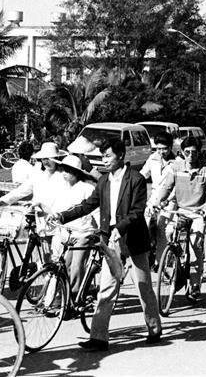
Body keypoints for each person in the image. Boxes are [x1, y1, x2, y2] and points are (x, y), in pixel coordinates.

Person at [52, 138, 161, 351]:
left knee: (143, 287)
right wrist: (62, 216)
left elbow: (137, 211)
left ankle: (154, 328)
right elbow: (87, 205)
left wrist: (120, 228)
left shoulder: (136, 179)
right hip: (110, 241)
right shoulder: (103, 181)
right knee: (106, 288)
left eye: (108, 156)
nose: (104, 160)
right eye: (102, 156)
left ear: (120, 155)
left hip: (133, 240)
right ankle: (98, 338)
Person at [148, 136, 206, 300]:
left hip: (198, 213)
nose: (191, 156)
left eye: (194, 152)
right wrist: (158, 202)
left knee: (195, 246)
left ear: (199, 152)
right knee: (169, 235)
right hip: (180, 210)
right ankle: (174, 270)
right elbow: (167, 187)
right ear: (182, 152)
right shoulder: (176, 167)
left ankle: (195, 285)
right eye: (187, 152)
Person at [39, 155, 98, 297]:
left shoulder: (87, 188)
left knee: (77, 266)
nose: (65, 173)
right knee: (64, 266)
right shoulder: (62, 189)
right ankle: (65, 297)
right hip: (67, 234)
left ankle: (75, 296)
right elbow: (56, 209)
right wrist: (46, 211)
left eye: (69, 171)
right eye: (64, 170)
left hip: (83, 233)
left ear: (76, 173)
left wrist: (100, 231)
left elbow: (96, 210)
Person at [141, 132, 175, 268]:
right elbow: (143, 174)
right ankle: (147, 258)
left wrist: (166, 200)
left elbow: (176, 186)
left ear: (171, 147)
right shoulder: (152, 158)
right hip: (154, 198)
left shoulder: (177, 162)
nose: (161, 152)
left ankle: (160, 262)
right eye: (158, 148)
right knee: (145, 227)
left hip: (170, 200)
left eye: (164, 149)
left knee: (163, 230)